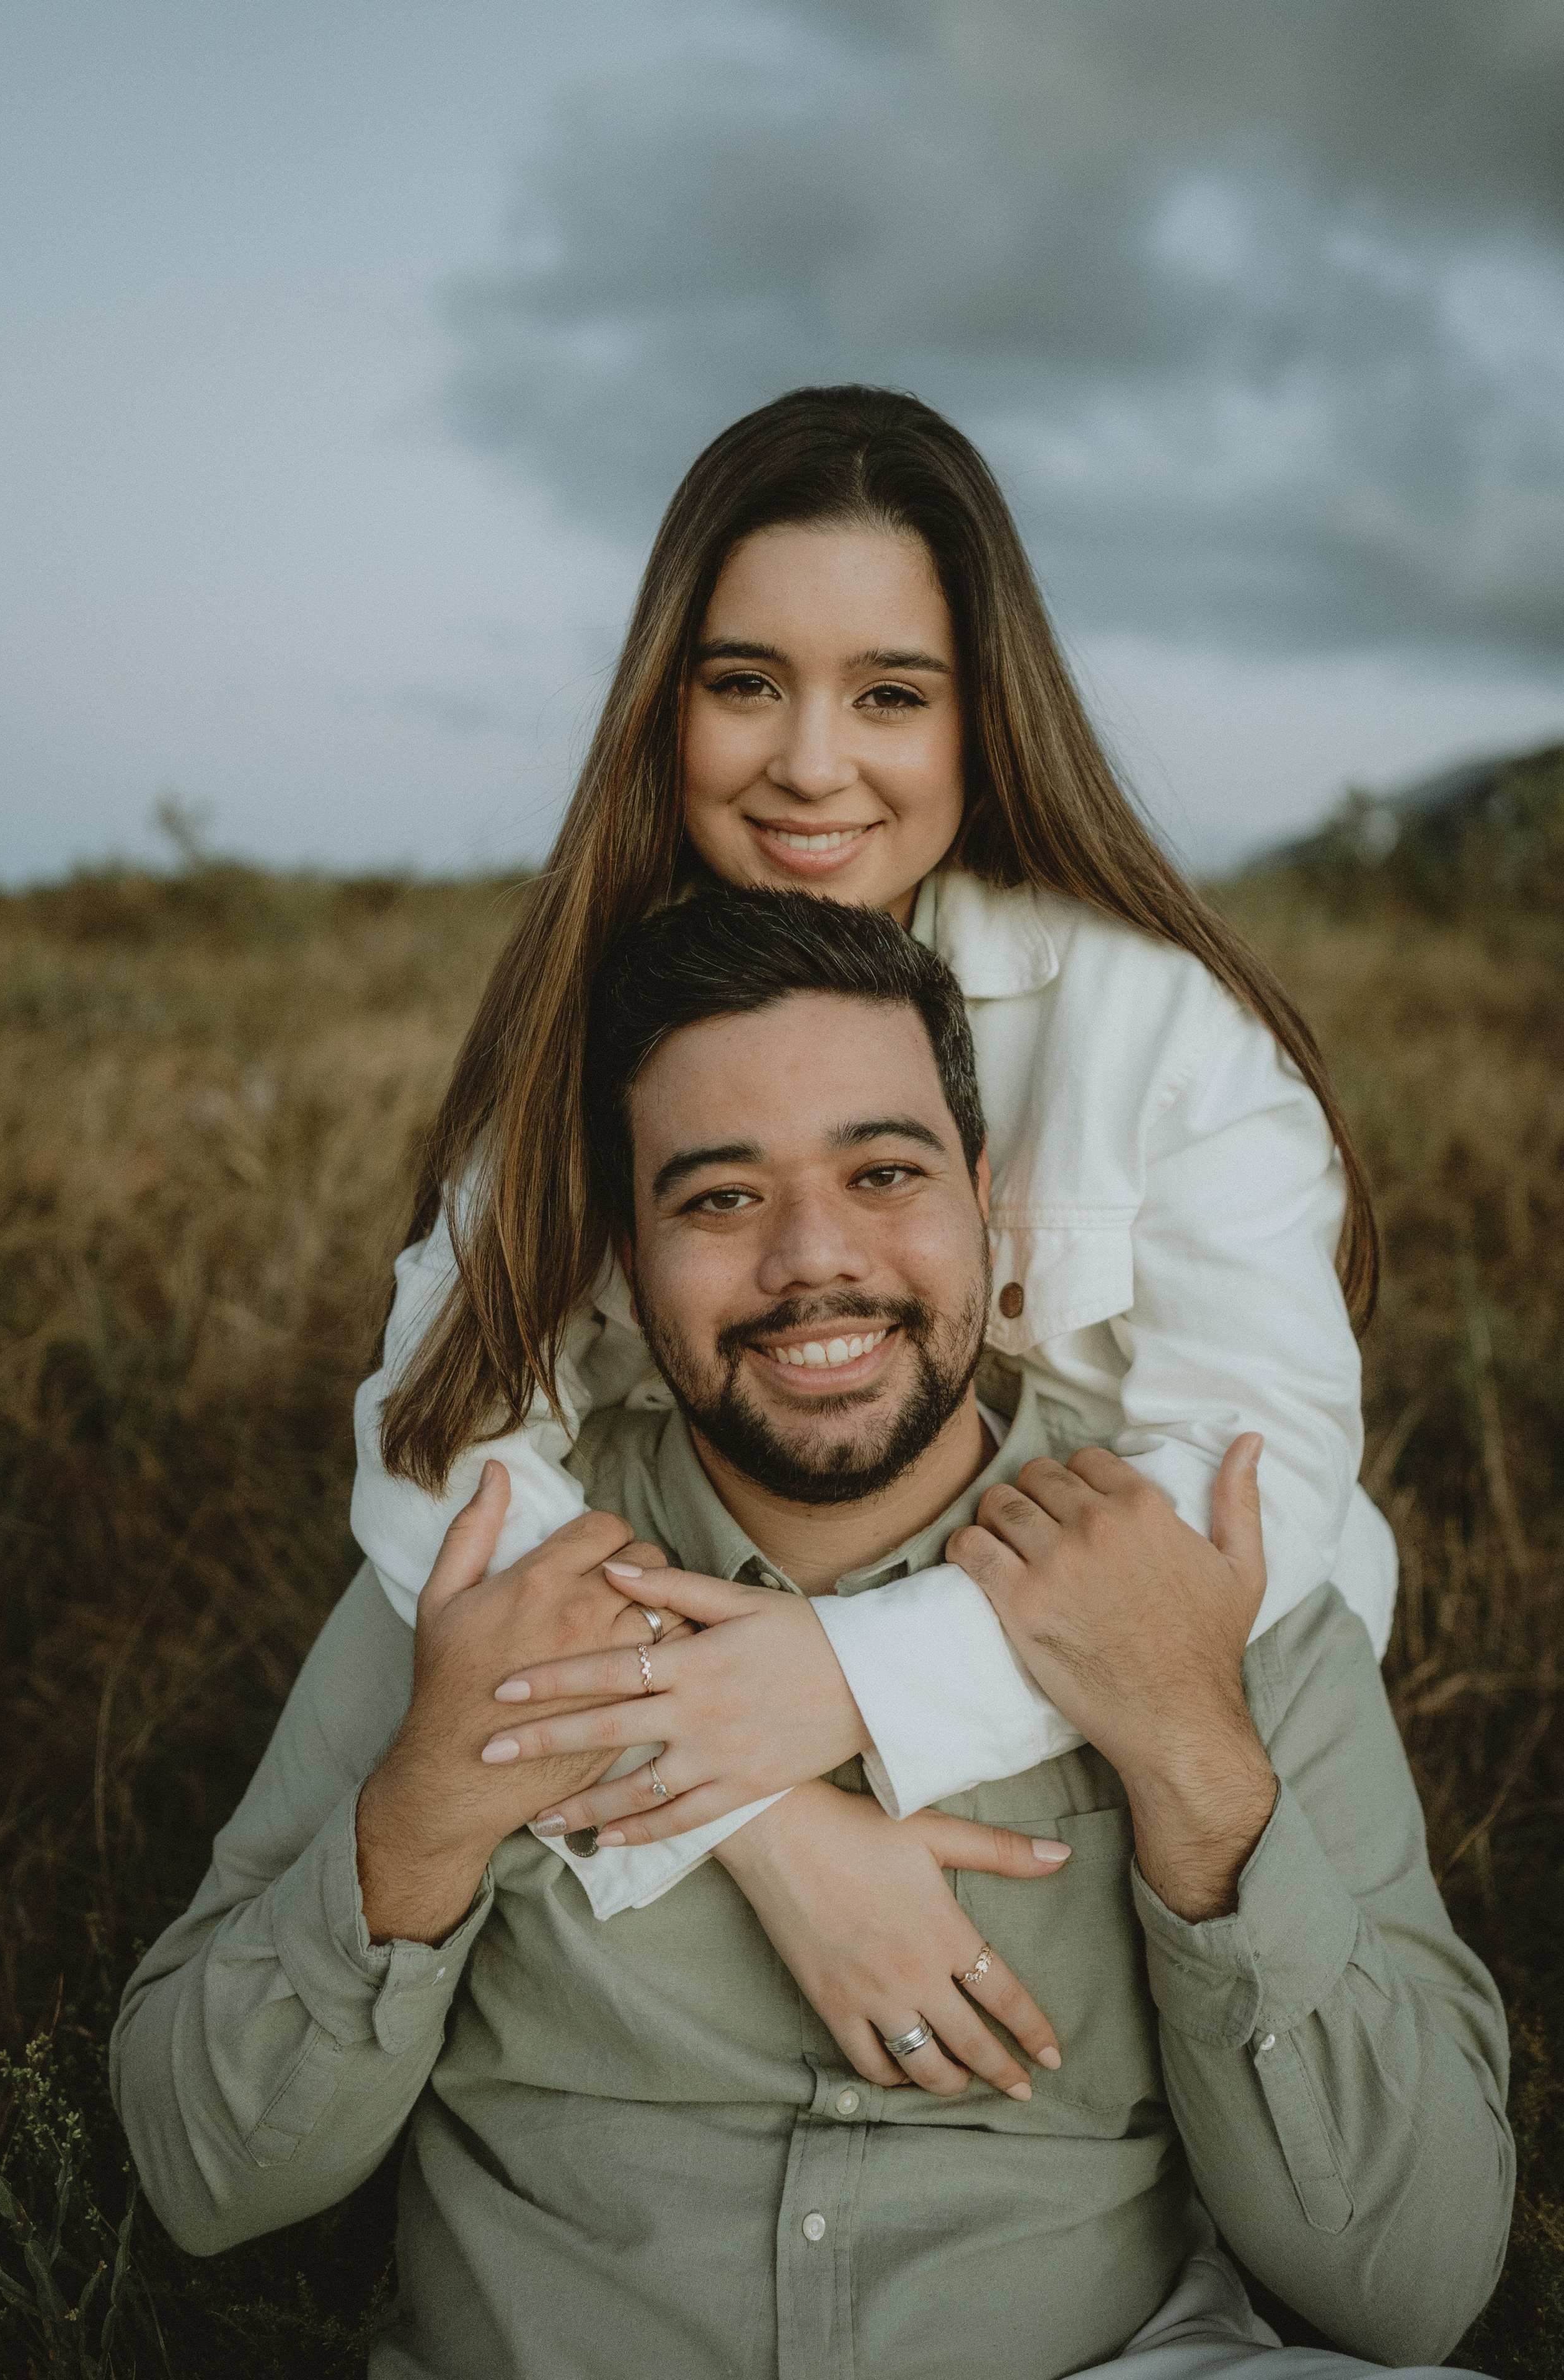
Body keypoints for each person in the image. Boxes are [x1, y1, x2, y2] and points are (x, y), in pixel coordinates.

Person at [113, 891, 1511, 2380]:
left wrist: (1187, 1755)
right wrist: (426, 1817)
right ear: (625, 1252)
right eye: (719, 1199)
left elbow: (1412, 2283)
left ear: (985, 1200)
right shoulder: (485, 1579)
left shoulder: (1199, 1582)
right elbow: (205, 2180)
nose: (810, 1259)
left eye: (882, 1172)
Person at [348, 384, 1399, 1968]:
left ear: (984, 720)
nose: (809, 764)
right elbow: (439, 1454)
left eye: (890, 694)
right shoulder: (594, 1023)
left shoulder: (1159, 1027)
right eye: (745, 684)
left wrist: (848, 1682)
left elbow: (1265, 1492)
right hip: (703, 1674)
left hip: (1115, 1713)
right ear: (662, 705)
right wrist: (756, 1807)